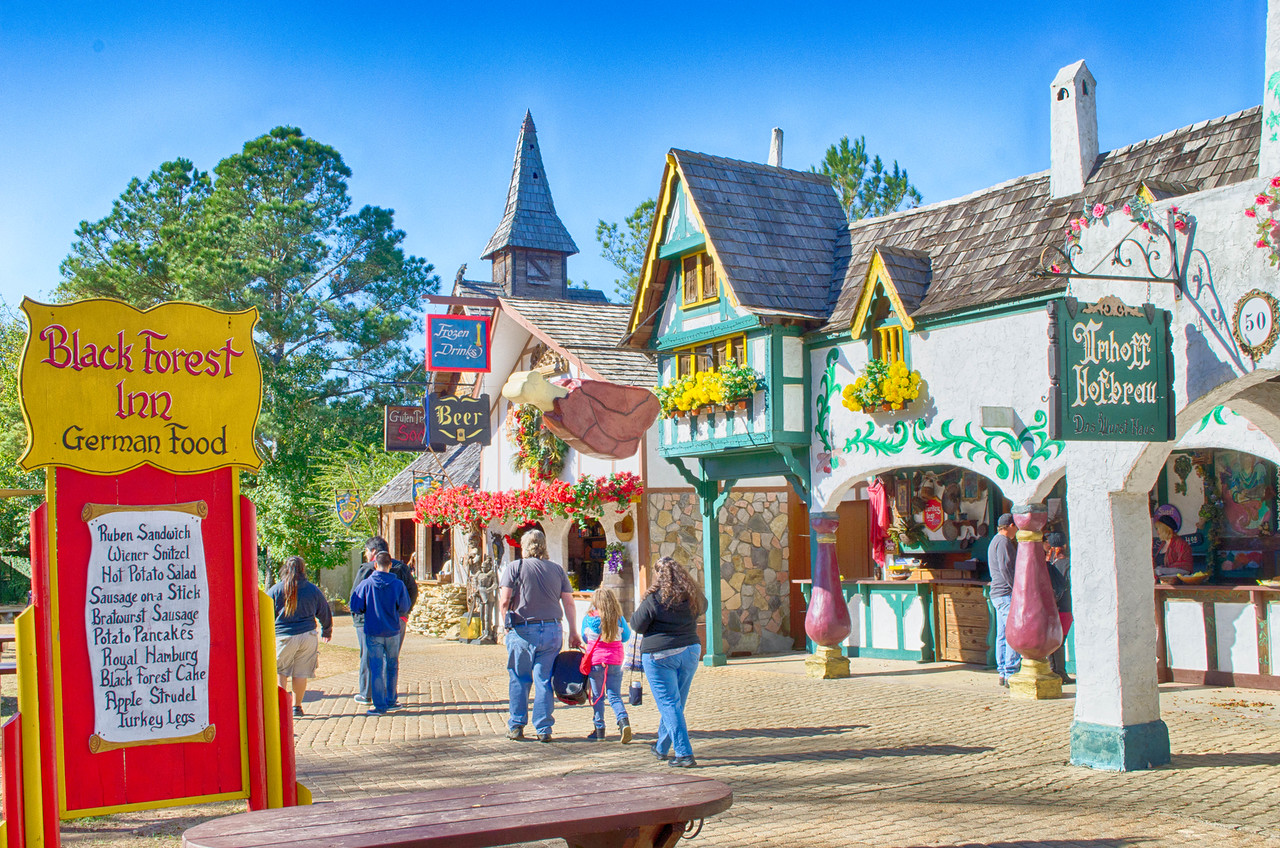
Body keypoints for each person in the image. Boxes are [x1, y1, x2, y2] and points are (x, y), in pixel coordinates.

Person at [498, 528, 581, 743]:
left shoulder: (515, 567)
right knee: (544, 680)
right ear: (543, 546)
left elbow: (505, 601)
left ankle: (516, 725)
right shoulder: (557, 570)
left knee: (519, 678)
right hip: (552, 629)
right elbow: (569, 602)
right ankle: (544, 728)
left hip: (523, 630)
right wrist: (573, 631)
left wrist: (503, 625)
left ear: (524, 547)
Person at [631, 557, 705, 768]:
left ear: (657, 576)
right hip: (690, 650)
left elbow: (637, 624)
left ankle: (684, 753)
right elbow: (704, 606)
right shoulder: (691, 596)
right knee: (675, 703)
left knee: (670, 704)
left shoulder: (653, 599)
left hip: (660, 656)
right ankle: (662, 747)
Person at [352, 536, 418, 706]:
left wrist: (360, 617)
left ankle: (367, 694)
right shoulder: (401, 568)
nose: (366, 555)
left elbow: (355, 596)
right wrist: (404, 613)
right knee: (391, 659)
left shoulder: (367, 569)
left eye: (366, 551)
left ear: (373, 552)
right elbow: (413, 590)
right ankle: (390, 697)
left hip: (369, 621)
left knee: (368, 656)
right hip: (396, 620)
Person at [266, 556, 333, 718]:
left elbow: (265, 611)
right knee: (301, 673)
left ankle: (280, 707)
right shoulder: (312, 589)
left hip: (283, 636)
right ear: (303, 569)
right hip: (307, 635)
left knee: (281, 672)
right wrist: (327, 630)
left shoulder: (276, 589)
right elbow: (324, 610)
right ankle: (297, 707)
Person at [581, 586, 632, 743]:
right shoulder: (619, 618)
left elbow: (585, 637)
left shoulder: (589, 618)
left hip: (597, 661)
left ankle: (599, 729)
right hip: (615, 661)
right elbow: (626, 637)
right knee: (614, 695)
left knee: (598, 695)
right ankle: (623, 721)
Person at [988, 513, 1020, 688]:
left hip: (997, 593)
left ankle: (1002, 671)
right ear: (1011, 525)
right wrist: (1016, 587)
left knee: (1002, 633)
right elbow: (1006, 567)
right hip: (1005, 592)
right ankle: (1010, 671)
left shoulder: (994, 541)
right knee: (1012, 633)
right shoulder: (1004, 542)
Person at [1044, 531, 1074, 685]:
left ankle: (1055, 671)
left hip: (1053, 607)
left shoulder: (1050, 565)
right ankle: (1060, 673)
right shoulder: (1069, 564)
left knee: (1055, 640)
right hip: (1066, 606)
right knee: (1060, 641)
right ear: (1064, 546)